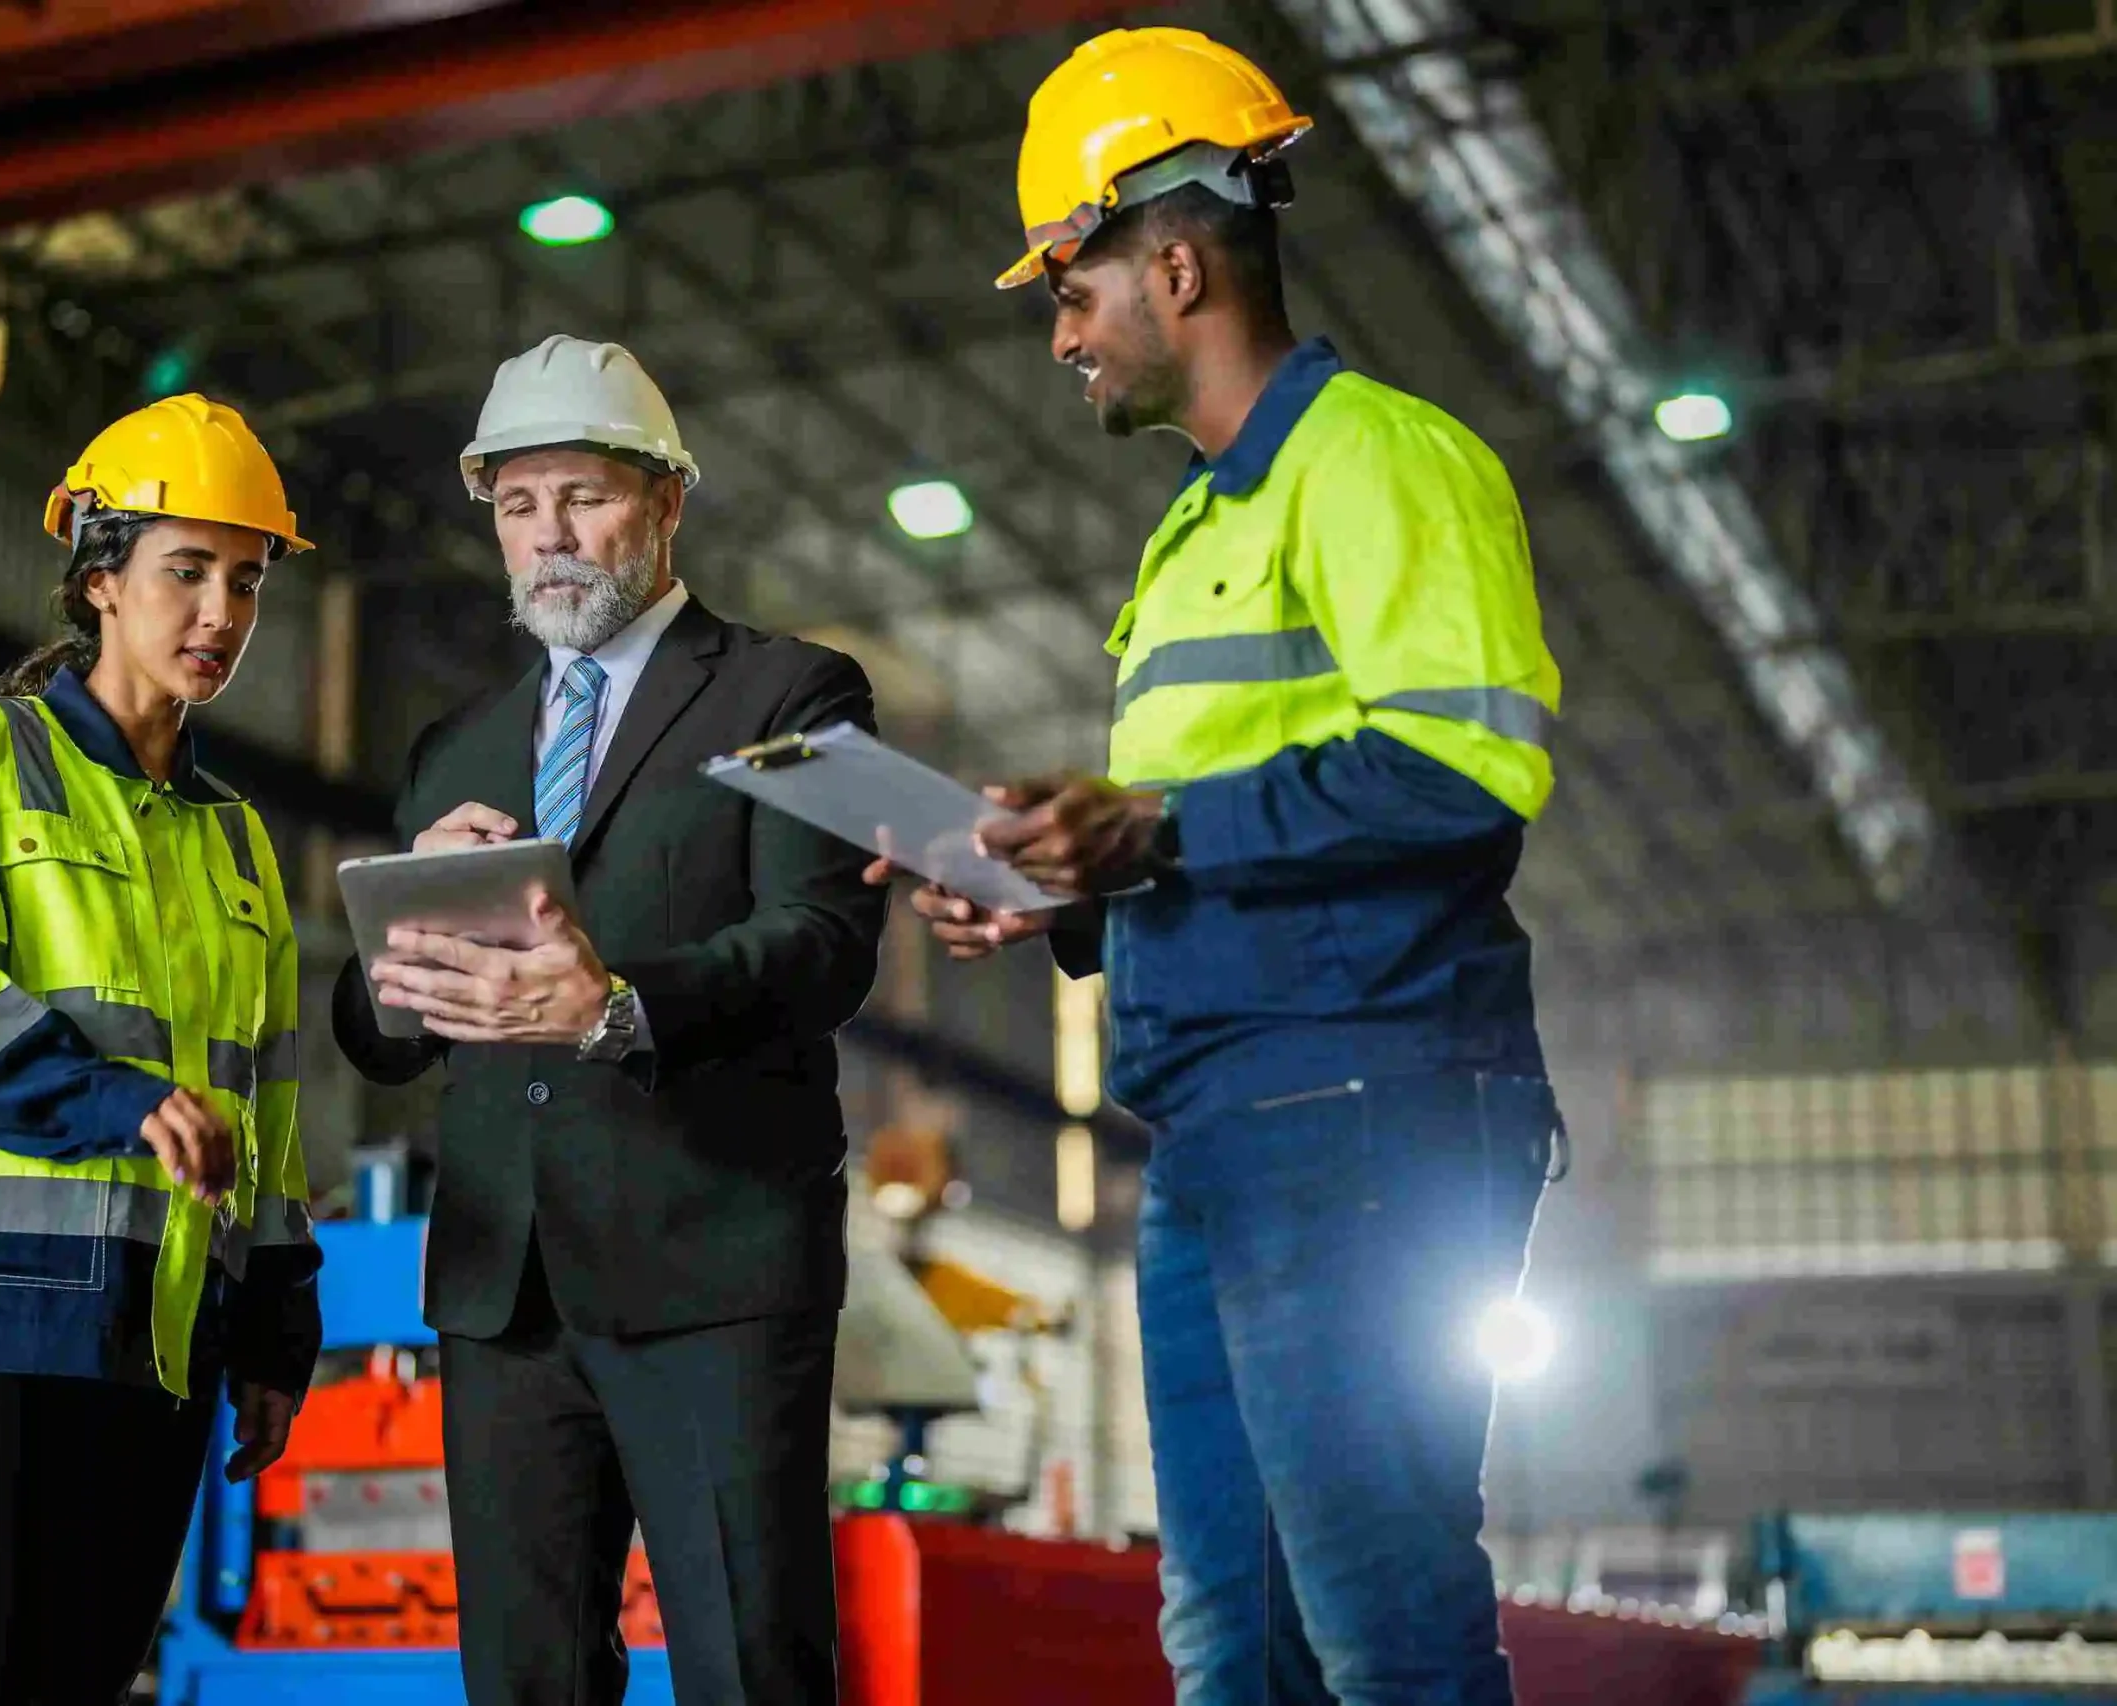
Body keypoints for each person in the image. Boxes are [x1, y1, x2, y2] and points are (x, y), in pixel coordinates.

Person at [872, 27, 1568, 1706]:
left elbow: (1468, 775)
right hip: (1220, 1133)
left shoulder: (1380, 461)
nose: (1058, 334)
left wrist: (1154, 827)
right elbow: (1220, 846)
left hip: (1367, 1114)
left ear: (1173, 263)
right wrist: (1063, 889)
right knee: (1231, 1643)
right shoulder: (1193, 537)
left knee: (1382, 1619)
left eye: (1068, 285)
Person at [331, 334, 887, 1706]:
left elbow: (823, 943)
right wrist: (394, 960)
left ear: (667, 499)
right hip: (504, 1285)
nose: (548, 536)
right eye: (519, 506)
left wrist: (625, 1006)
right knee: (522, 1681)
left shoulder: (794, 695)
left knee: (748, 1667)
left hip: (712, 1269)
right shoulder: (454, 748)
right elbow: (380, 1024)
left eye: (582, 496)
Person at [0, 394, 323, 1704]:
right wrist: (111, 1098)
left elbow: (267, 1113)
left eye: (247, 580)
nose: (220, 612)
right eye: (186, 571)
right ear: (101, 577)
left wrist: (277, 1328)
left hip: (153, 1341)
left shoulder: (238, 847)